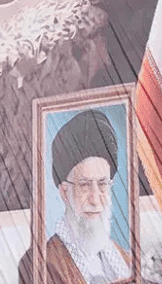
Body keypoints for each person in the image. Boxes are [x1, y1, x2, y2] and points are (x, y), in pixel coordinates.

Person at [20, 110, 133, 284]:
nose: (95, 200)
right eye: (84, 185)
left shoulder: (126, 259)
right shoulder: (37, 265)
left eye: (103, 184)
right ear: (65, 192)